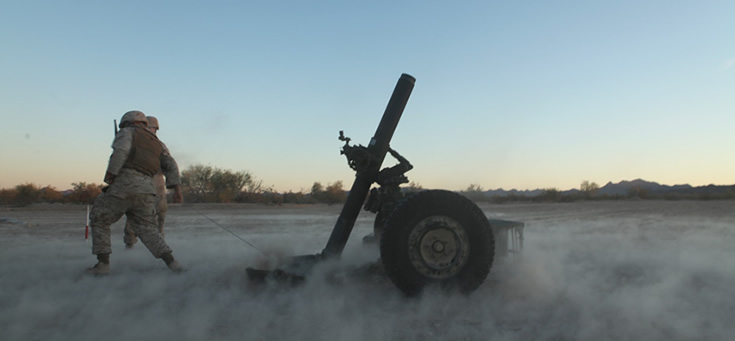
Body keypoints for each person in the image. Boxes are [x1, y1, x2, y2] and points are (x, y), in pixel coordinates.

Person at [86, 110, 184, 275]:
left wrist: (111, 176)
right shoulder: (158, 143)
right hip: (147, 189)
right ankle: (173, 264)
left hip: (124, 184)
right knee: (148, 229)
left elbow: (121, 152)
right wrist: (176, 189)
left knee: (99, 218)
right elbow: (171, 165)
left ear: (127, 123)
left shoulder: (127, 132)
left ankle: (102, 265)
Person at [123, 116, 175, 248]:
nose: (152, 130)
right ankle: (130, 245)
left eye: (154, 128)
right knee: (134, 214)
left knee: (161, 214)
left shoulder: (159, 145)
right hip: (137, 181)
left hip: (157, 182)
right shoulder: (133, 142)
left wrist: (174, 184)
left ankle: (160, 247)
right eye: (150, 127)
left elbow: (169, 164)